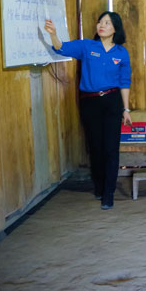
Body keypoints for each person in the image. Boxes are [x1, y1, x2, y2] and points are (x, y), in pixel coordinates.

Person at [44, 12, 131, 210]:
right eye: (100, 22)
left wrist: (126, 109)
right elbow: (61, 47)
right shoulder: (87, 46)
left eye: (107, 23)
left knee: (111, 148)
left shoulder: (121, 52)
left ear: (115, 29)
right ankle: (99, 186)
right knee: (96, 147)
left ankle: (108, 193)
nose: (102, 25)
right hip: (90, 102)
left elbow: (125, 82)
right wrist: (53, 34)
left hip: (112, 101)